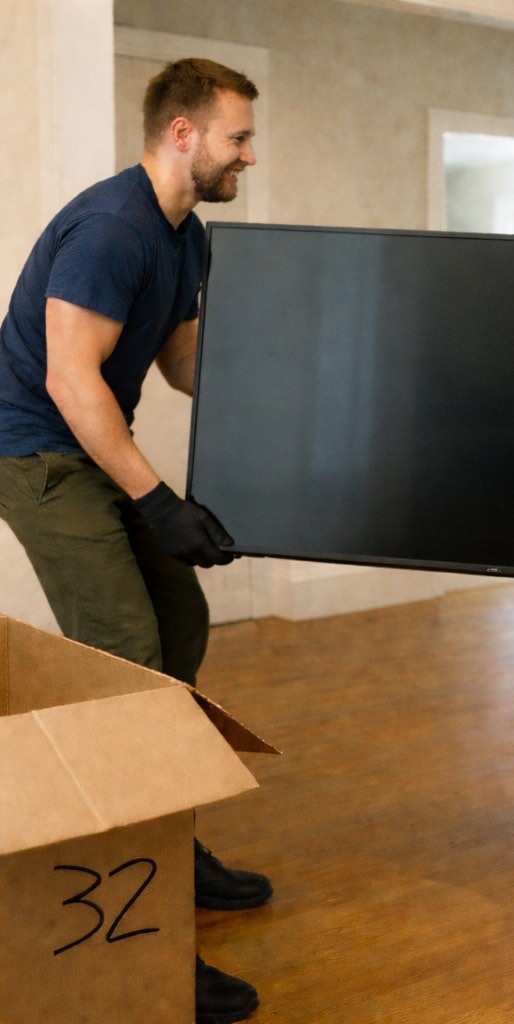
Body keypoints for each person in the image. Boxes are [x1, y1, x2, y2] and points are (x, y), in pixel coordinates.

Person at [0, 58, 272, 1024]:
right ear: (184, 134)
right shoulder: (112, 230)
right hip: (38, 455)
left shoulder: (186, 234)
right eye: (239, 136)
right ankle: (143, 915)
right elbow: (75, 384)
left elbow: (184, 361)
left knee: (179, 632)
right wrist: (159, 500)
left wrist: (280, 375)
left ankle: (169, 837)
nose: (251, 152)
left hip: (89, 440)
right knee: (126, 667)